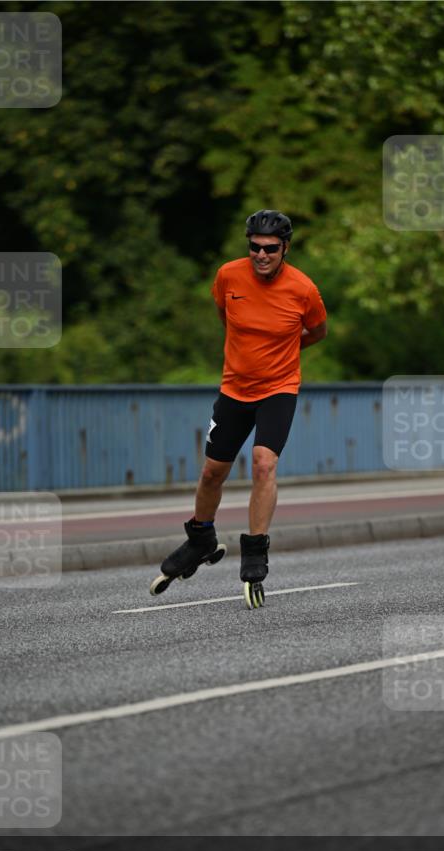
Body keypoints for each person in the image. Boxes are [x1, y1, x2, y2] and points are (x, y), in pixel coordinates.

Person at [150, 209, 327, 608]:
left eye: (270, 249)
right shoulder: (229, 276)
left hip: (278, 389)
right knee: (213, 471)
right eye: (254, 247)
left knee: (263, 463)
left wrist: (284, 353)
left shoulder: (303, 289)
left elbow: (317, 331)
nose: (261, 255)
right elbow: (225, 318)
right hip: (234, 389)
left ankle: (254, 552)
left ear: (285, 248)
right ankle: (201, 538)